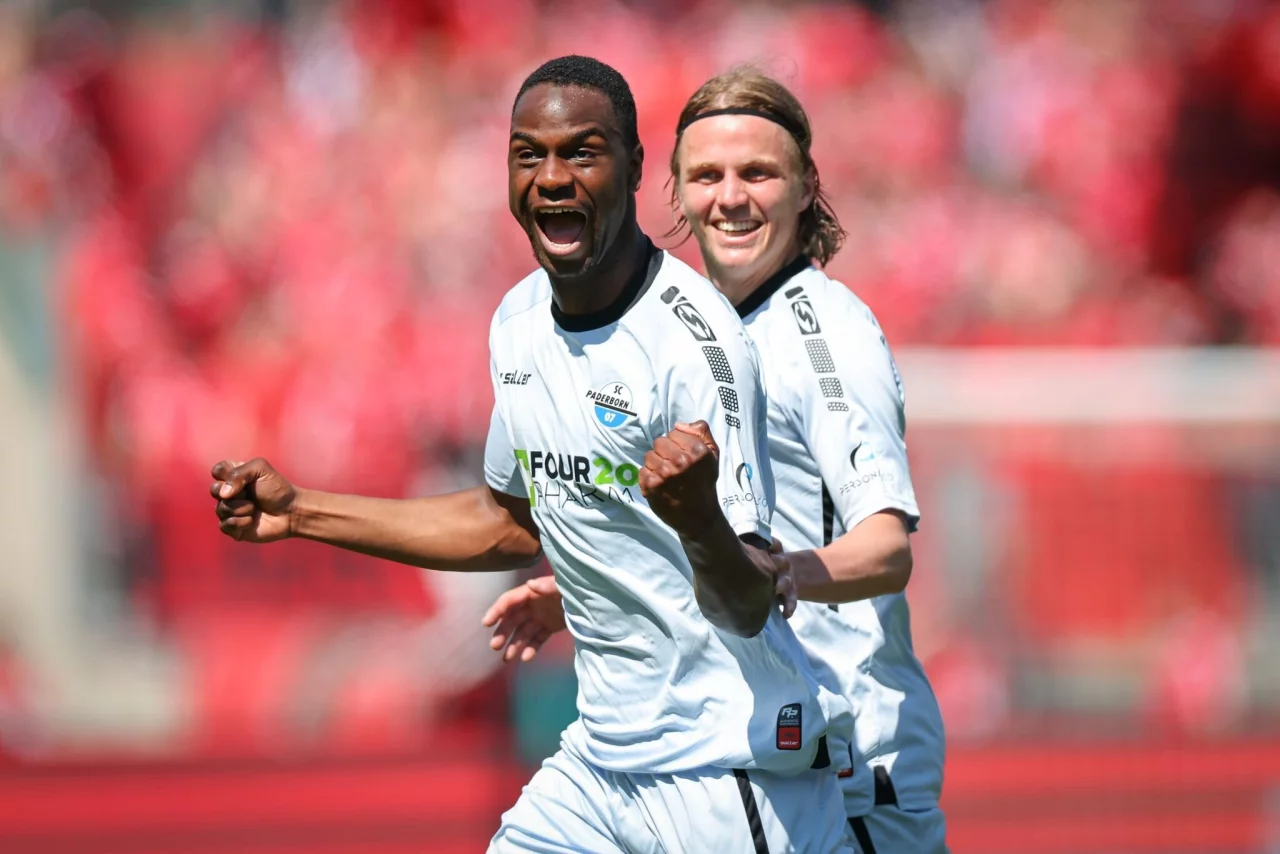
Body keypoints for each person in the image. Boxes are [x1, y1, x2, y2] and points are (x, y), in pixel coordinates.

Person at [209, 56, 856, 853]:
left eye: (582, 152)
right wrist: (302, 512)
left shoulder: (698, 344)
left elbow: (750, 601)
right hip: (601, 762)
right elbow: (509, 521)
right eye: (529, 155)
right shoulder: (517, 323)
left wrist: (696, 518)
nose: (552, 177)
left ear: (635, 169)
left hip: (725, 769)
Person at [482, 67, 948, 853]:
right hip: (760, 742)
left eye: (757, 173)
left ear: (806, 188)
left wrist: (768, 576)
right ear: (673, 191)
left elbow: (886, 548)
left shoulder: (824, 336)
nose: (730, 198)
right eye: (706, 176)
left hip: (851, 752)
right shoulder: (692, 330)